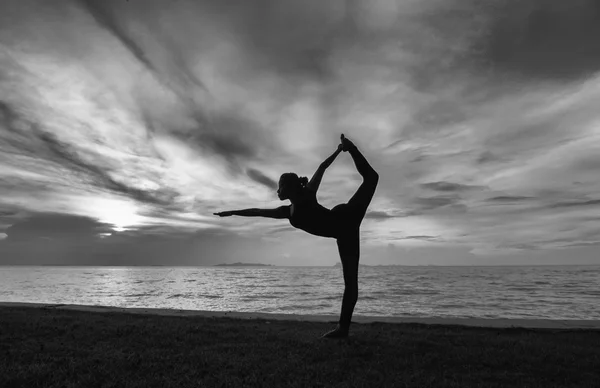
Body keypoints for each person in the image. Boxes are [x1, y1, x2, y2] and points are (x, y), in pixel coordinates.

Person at [214, 134, 379, 338]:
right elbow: (257, 211)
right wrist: (232, 212)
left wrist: (340, 150)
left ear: (290, 187)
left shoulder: (308, 195)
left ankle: (351, 147)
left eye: (280, 186)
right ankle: (342, 330)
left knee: (372, 178)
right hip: (343, 231)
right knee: (350, 283)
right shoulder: (287, 212)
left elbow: (322, 167)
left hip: (347, 221)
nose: (277, 191)